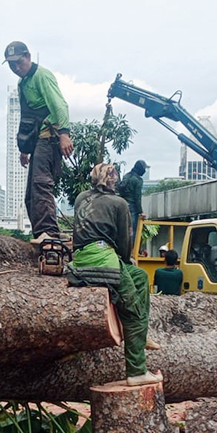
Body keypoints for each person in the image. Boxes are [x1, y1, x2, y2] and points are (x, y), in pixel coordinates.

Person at [66, 163, 160, 386]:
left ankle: (141, 334)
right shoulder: (119, 203)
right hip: (103, 261)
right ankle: (137, 372)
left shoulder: (81, 198)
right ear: (113, 179)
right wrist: (127, 259)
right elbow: (123, 241)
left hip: (80, 259)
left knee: (139, 277)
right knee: (134, 311)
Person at [4, 41, 73, 241]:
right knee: (30, 195)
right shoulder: (22, 83)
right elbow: (27, 117)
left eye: (19, 62)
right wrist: (24, 148)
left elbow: (60, 106)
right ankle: (40, 235)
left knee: (41, 185)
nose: (16, 68)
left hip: (50, 138)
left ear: (28, 57)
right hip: (36, 141)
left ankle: (49, 235)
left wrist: (64, 134)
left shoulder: (42, 76)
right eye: (11, 65)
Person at [118, 160, 148, 224]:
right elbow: (137, 197)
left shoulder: (126, 176)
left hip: (122, 204)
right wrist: (141, 211)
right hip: (132, 207)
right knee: (132, 229)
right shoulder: (138, 180)